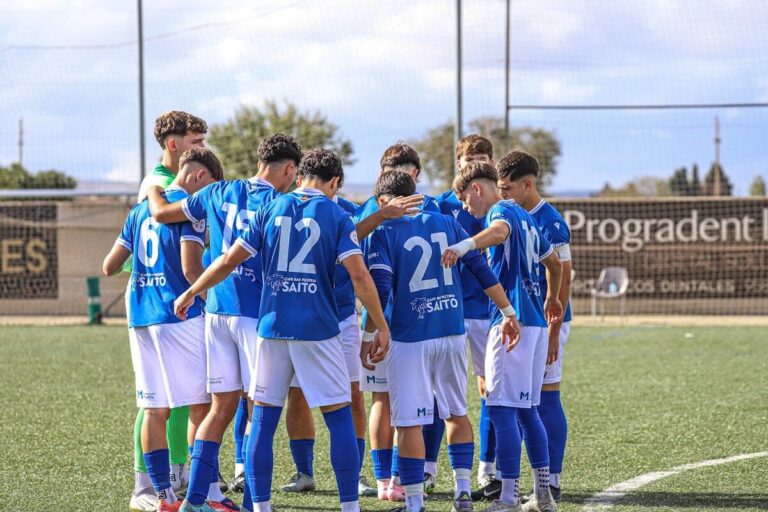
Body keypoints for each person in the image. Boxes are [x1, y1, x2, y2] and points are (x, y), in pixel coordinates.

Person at [173, 149, 391, 512]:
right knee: (338, 416)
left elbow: (227, 260)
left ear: (301, 173)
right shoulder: (335, 215)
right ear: (334, 182)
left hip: (271, 330)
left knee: (263, 418)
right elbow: (359, 275)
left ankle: (260, 507)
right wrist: (380, 325)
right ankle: (350, 507)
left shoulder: (270, 209)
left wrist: (192, 291)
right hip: (317, 331)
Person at [147, 133, 302, 512]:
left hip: (216, 312)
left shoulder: (219, 192)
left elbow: (163, 213)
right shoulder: (280, 203)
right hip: (255, 318)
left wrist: (154, 187)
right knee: (259, 412)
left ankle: (193, 502)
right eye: (293, 175)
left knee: (220, 409)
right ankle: (253, 503)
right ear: (288, 169)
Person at [362, 170, 521, 512]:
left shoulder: (383, 230)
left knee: (408, 422)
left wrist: (369, 333)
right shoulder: (445, 222)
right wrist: (507, 310)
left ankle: (416, 503)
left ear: (382, 202)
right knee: (456, 412)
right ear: (414, 194)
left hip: (410, 337)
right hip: (451, 331)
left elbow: (381, 288)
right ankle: (462, 493)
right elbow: (480, 268)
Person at [103, 147, 223, 512]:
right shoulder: (191, 210)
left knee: (155, 408)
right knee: (203, 405)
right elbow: (190, 271)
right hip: (179, 317)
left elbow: (110, 266)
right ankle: (209, 493)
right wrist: (212, 289)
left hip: (140, 316)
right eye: (211, 186)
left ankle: (161, 497)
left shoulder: (140, 211)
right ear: (201, 177)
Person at [442, 161, 563, 512]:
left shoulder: (501, 211)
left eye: (466, 201)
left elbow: (497, 232)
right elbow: (553, 263)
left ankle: (508, 497)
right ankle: (542, 495)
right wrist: (552, 297)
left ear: (477, 189)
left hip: (512, 323)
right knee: (528, 410)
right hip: (536, 323)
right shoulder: (528, 217)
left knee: (499, 408)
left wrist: (465, 246)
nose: (468, 209)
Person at [126, 111, 209, 512]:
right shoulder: (160, 185)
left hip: (157, 303)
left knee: (169, 400)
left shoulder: (171, 184)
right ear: (174, 144)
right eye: (196, 140)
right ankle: (149, 483)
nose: (203, 148)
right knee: (161, 402)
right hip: (165, 302)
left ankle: (173, 476)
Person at [496, 152, 572, 502]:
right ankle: (528, 482)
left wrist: (555, 333)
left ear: (528, 183)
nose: (503, 194)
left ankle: (551, 479)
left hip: (547, 324)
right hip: (526, 321)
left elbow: (563, 274)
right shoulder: (512, 214)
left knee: (545, 400)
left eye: (508, 188)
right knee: (522, 402)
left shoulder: (550, 221)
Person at [436, 134, 496, 498]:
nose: (475, 160)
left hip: (488, 311)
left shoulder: (501, 204)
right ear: (457, 163)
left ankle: (488, 471)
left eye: (482, 156)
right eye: (469, 156)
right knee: (436, 392)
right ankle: (425, 470)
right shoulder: (443, 204)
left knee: (493, 391)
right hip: (450, 312)